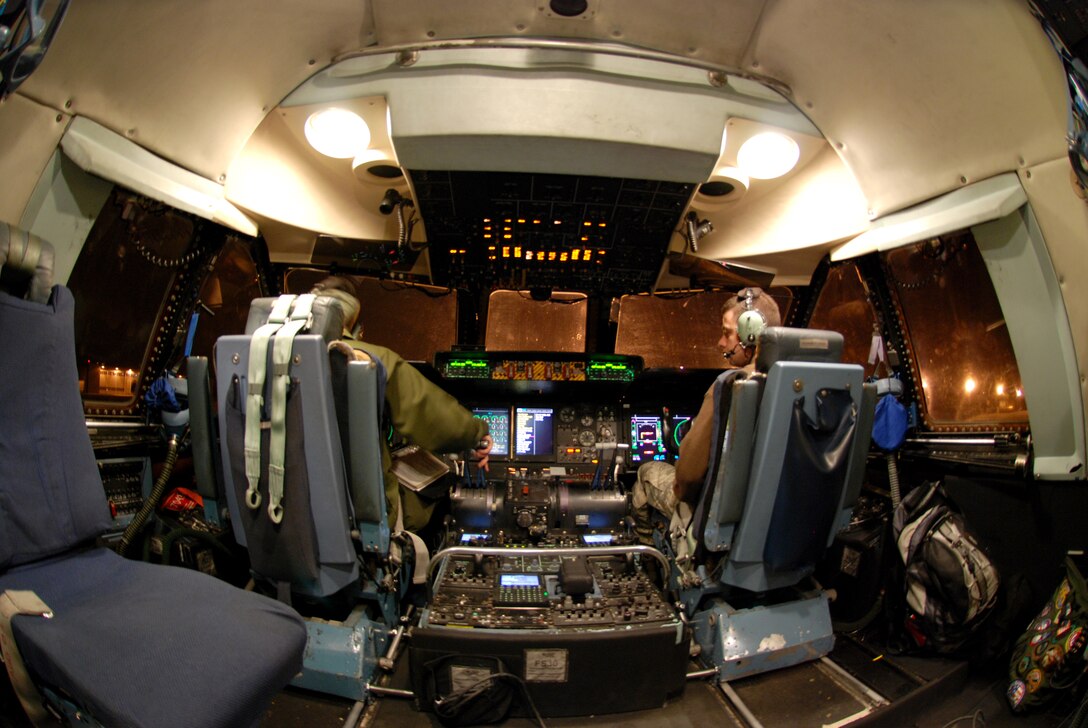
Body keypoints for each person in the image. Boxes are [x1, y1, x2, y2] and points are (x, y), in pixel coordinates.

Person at [311, 276, 493, 533]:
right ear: (352, 326)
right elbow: (439, 421)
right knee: (445, 488)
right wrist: (478, 435)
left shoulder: (258, 360)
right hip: (359, 515)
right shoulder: (367, 359)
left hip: (284, 513)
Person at [632, 287, 782, 538]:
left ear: (751, 333)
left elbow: (688, 478)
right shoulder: (801, 386)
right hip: (775, 520)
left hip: (717, 516)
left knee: (647, 471)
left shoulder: (730, 386)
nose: (721, 343)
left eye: (727, 333)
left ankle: (648, 558)